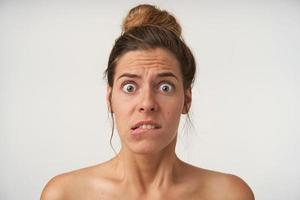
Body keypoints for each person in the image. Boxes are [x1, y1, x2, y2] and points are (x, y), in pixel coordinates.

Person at [41, 4, 254, 200]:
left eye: (165, 87)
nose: (147, 103)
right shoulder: (64, 194)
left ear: (186, 100)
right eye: (130, 87)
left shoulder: (230, 195)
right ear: (110, 100)